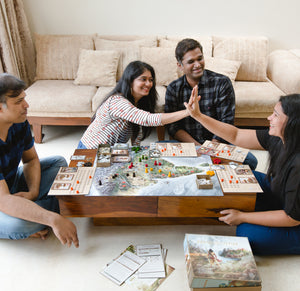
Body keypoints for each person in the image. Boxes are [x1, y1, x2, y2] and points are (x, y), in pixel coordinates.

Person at [185, 85, 300, 255]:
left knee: (247, 233)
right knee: (239, 176)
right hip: (280, 192)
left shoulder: (298, 164)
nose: (269, 118)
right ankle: (263, 210)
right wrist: (198, 116)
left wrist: (241, 216)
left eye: (276, 115)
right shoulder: (279, 138)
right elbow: (236, 135)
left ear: (292, 123)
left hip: (294, 220)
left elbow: (292, 218)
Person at [0, 73, 79, 247]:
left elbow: (30, 160)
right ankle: (34, 216)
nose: (26, 105)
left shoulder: (18, 122)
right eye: (18, 102)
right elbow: (3, 200)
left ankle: (30, 209)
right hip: (1, 199)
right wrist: (53, 218)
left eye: (24, 99)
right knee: (19, 224)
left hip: (11, 184)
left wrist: (33, 192)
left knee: (58, 163)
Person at [165, 38, 257, 170]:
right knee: (157, 149)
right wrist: (197, 148)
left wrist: (209, 150)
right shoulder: (173, 88)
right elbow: (173, 127)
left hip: (217, 144)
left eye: (200, 58)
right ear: (180, 65)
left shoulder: (222, 83)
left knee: (250, 161)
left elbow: (227, 121)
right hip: (189, 145)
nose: (197, 64)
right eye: (191, 61)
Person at [78, 61, 192, 149]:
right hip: (90, 151)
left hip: (108, 153)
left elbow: (137, 132)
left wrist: (136, 152)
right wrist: (187, 112)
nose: (148, 84)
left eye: (151, 80)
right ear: (130, 81)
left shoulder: (138, 102)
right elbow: (147, 119)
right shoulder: (117, 101)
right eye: (143, 79)